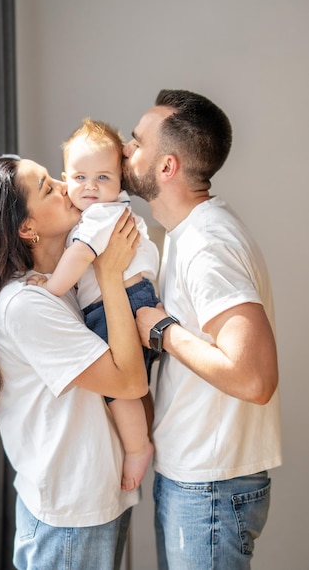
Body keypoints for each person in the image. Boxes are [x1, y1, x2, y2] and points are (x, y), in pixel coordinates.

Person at [0, 154, 149, 570]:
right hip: (72, 514)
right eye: (47, 188)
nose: (65, 184)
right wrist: (110, 275)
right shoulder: (25, 305)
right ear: (27, 228)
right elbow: (129, 382)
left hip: (91, 501)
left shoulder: (61, 286)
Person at [122, 89, 282, 570]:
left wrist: (162, 330)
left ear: (166, 167)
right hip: (199, 480)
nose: (126, 150)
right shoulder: (188, 232)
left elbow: (254, 378)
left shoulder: (206, 242)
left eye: (136, 142)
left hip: (209, 486)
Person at [30, 118, 159, 491]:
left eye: (103, 178)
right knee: (131, 385)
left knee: (119, 389)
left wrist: (52, 286)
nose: (90, 187)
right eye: (79, 178)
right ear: (65, 177)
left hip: (116, 303)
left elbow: (79, 257)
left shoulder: (101, 216)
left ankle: (137, 448)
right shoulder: (105, 211)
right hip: (130, 299)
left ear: (120, 180)